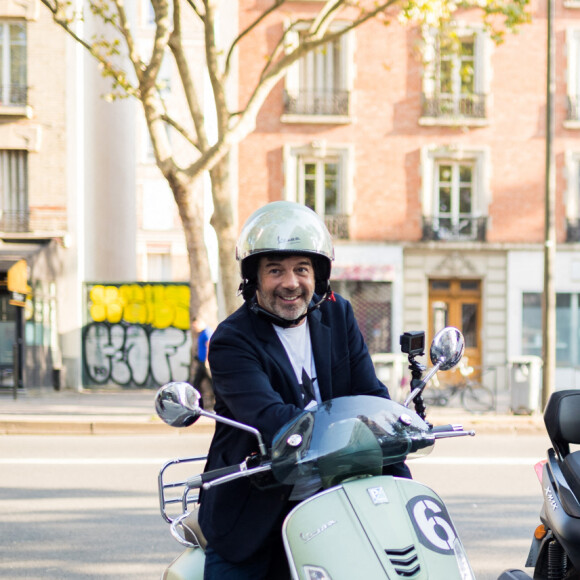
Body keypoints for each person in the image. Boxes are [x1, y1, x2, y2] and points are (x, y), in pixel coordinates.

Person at [198, 201, 411, 579]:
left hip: (335, 500)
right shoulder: (232, 340)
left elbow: (370, 395)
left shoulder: (338, 315)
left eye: (301, 269)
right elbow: (270, 419)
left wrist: (401, 426)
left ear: (318, 275)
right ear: (253, 279)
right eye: (275, 270)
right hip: (256, 510)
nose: (290, 282)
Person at [192, 317, 214, 410]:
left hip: (205, 363)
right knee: (196, 384)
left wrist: (207, 360)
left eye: (195, 325)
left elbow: (209, 345)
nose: (194, 328)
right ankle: (198, 405)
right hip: (201, 362)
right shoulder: (201, 333)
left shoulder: (206, 332)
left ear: (199, 322)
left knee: (213, 383)